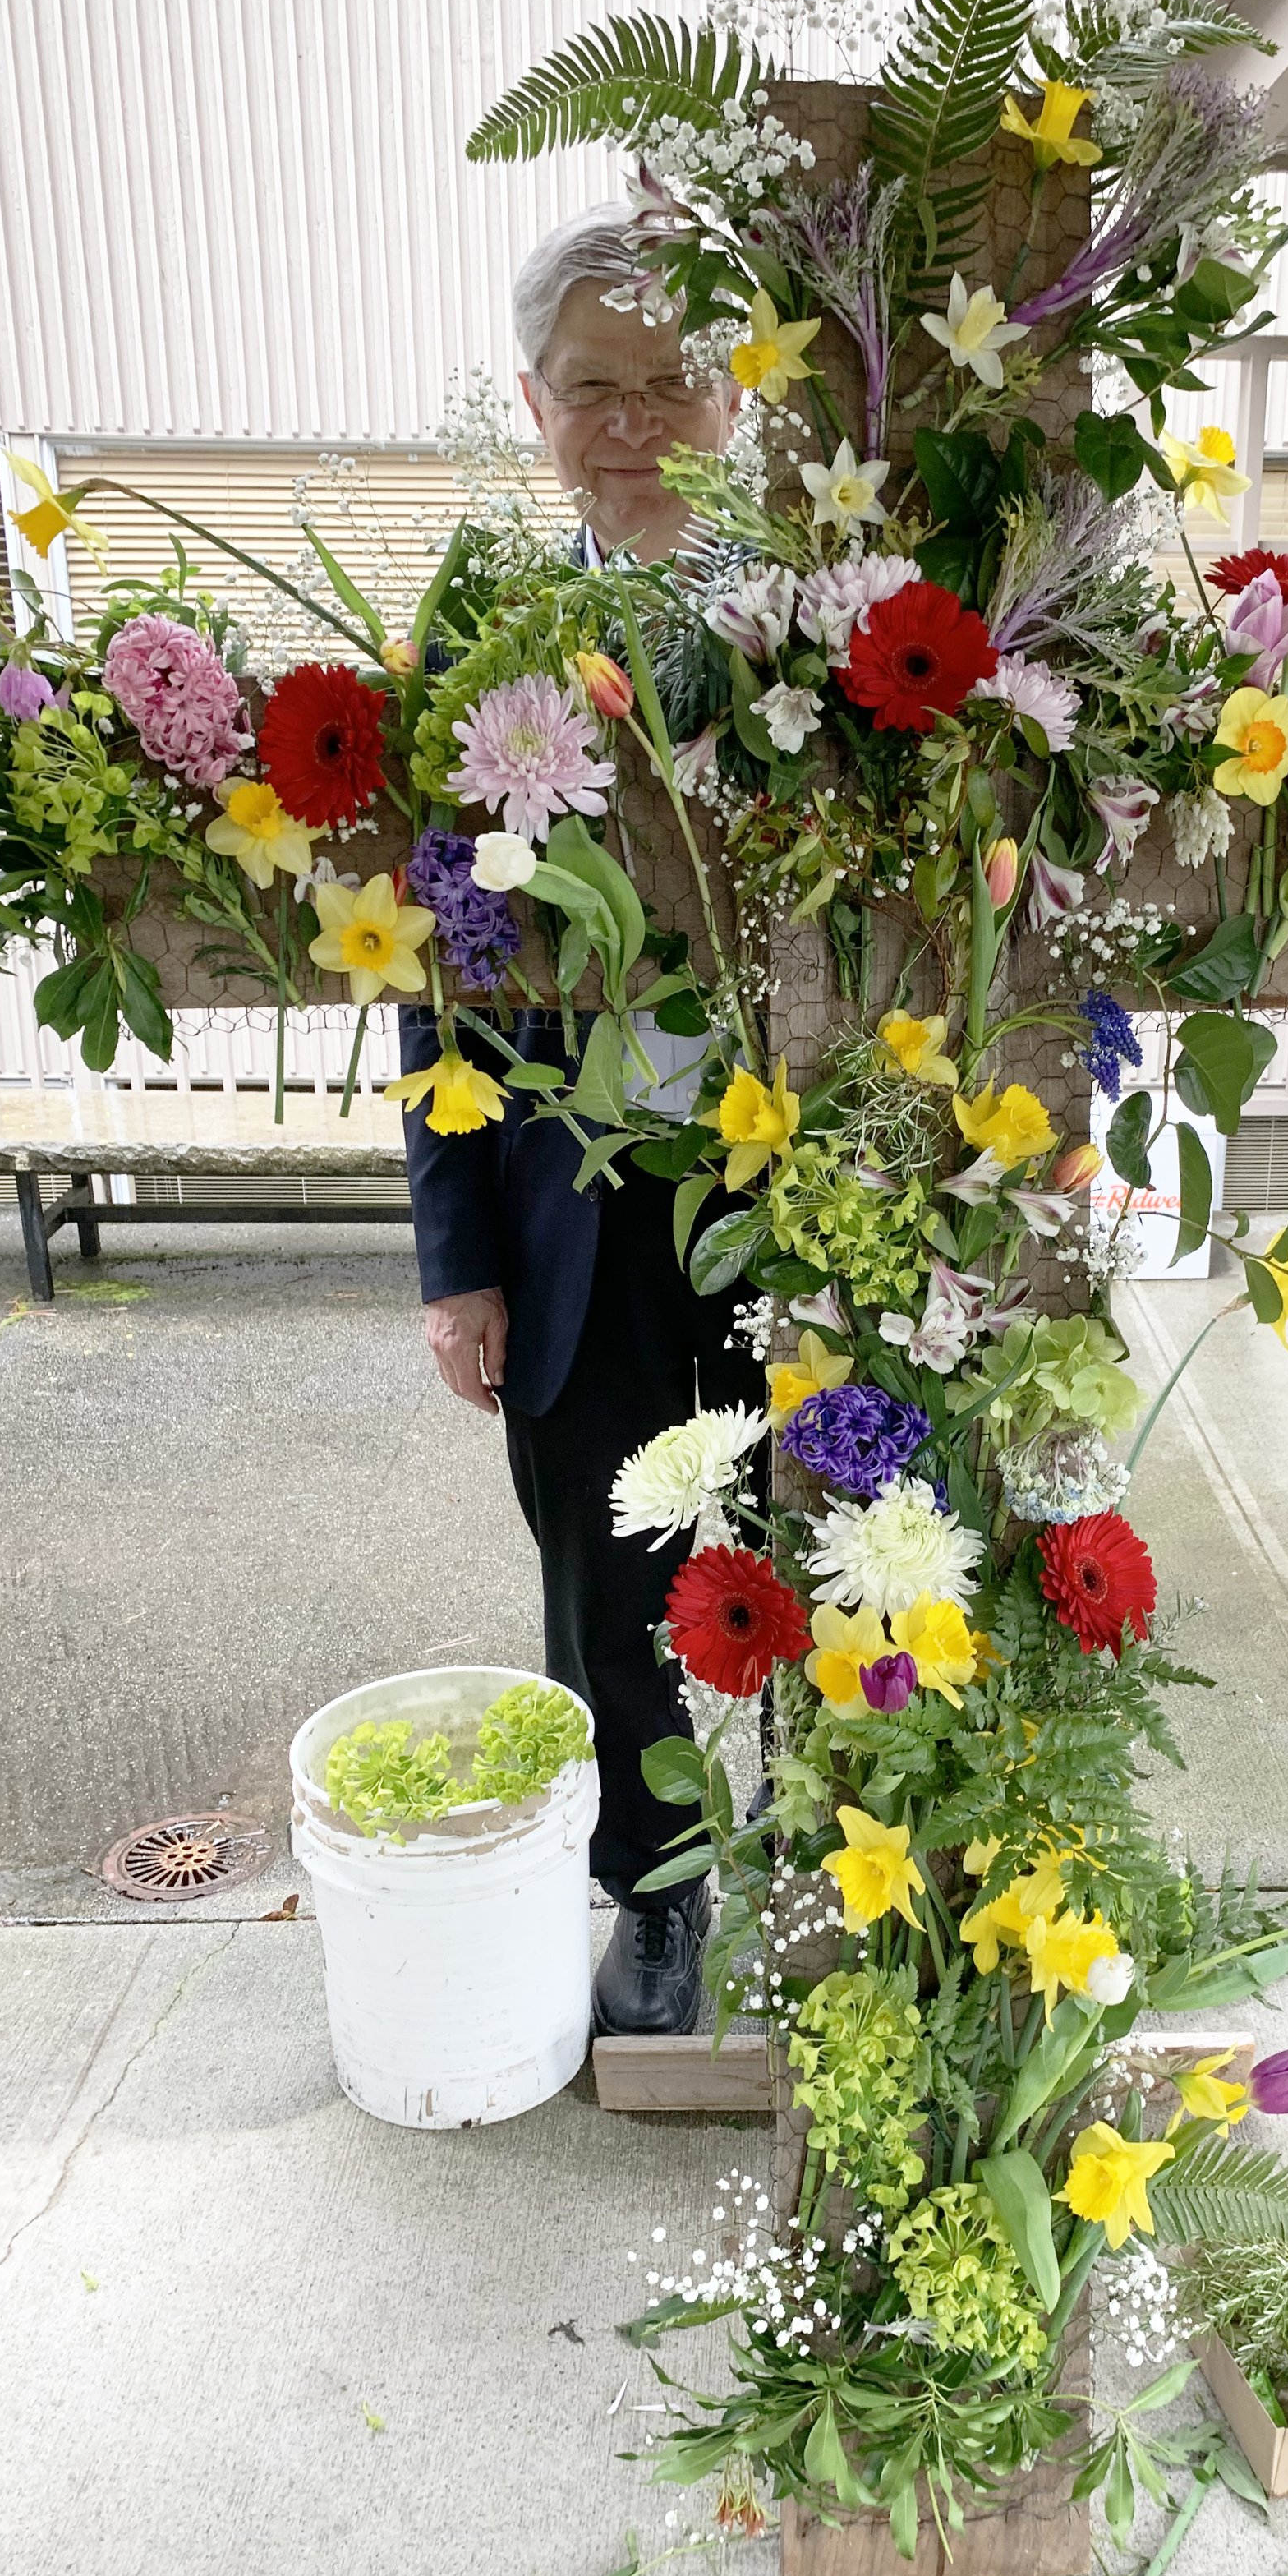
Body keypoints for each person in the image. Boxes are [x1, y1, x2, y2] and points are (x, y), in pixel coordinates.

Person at [398, 210, 757, 2031]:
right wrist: (457, 1255)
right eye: (592, 388)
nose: (631, 423)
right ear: (534, 402)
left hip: (795, 1197)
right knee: (610, 1573)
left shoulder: (813, 631)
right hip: (575, 1216)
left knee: (839, 1538)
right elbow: (431, 965)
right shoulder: (482, 637)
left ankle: (857, 1852)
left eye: (668, 382)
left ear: (729, 398)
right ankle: (664, 1889)